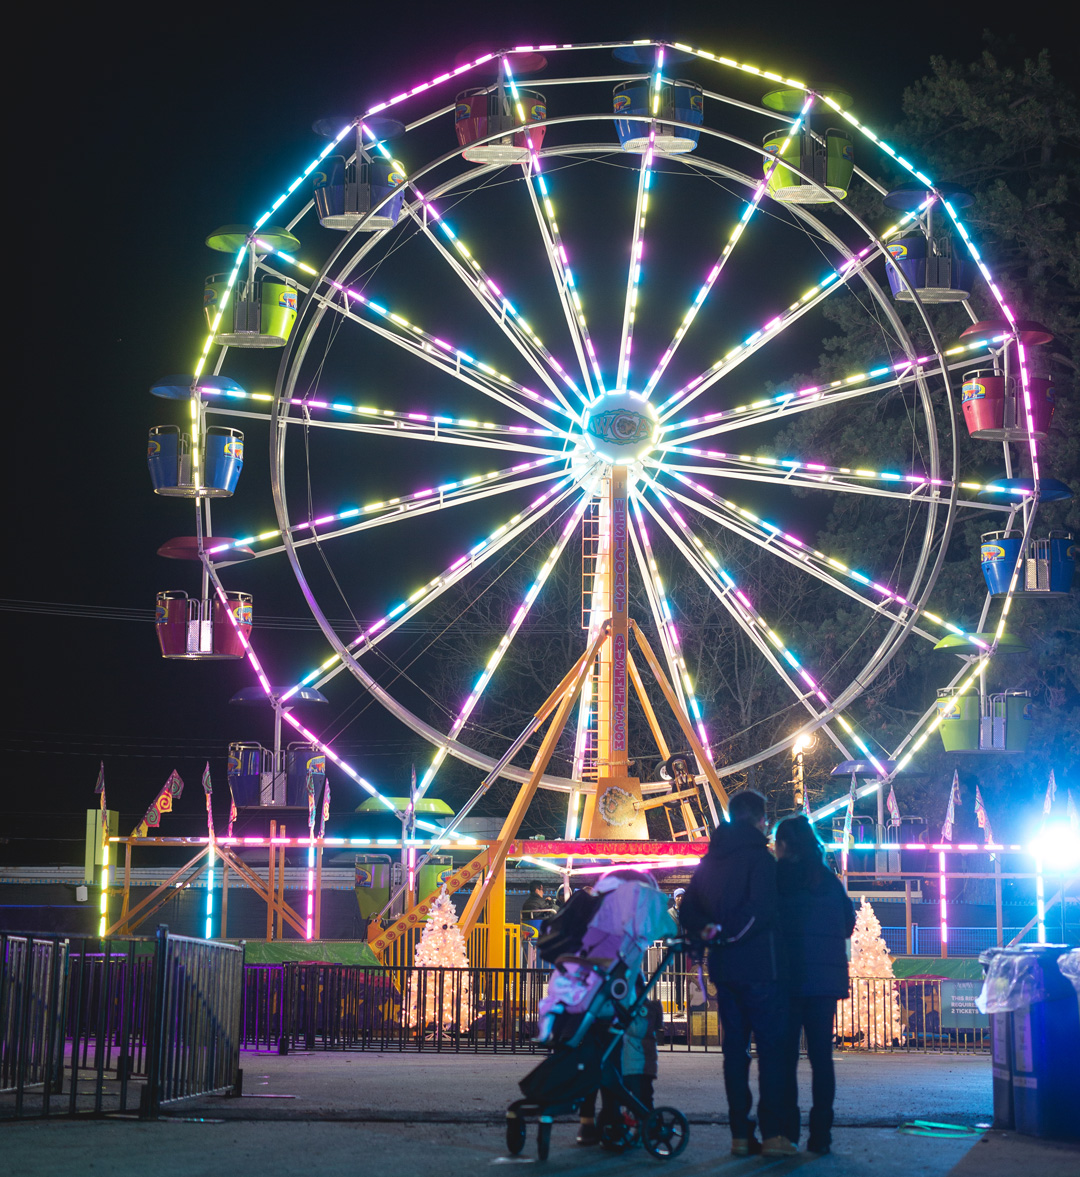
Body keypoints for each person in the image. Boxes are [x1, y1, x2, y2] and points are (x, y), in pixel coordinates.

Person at [681, 790, 795, 1158]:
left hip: (725, 969)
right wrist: (729, 933)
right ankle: (773, 1134)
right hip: (762, 967)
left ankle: (740, 1135)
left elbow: (688, 910)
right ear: (761, 820)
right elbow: (760, 910)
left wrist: (709, 933)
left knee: (735, 1052)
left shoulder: (709, 862)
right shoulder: (761, 860)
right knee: (771, 1052)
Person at [774, 814, 856, 1155]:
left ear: (783, 844)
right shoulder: (828, 881)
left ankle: (788, 1132)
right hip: (824, 982)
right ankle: (821, 1134)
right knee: (822, 1059)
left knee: (785, 1060)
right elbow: (848, 924)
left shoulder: (779, 879)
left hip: (788, 980)